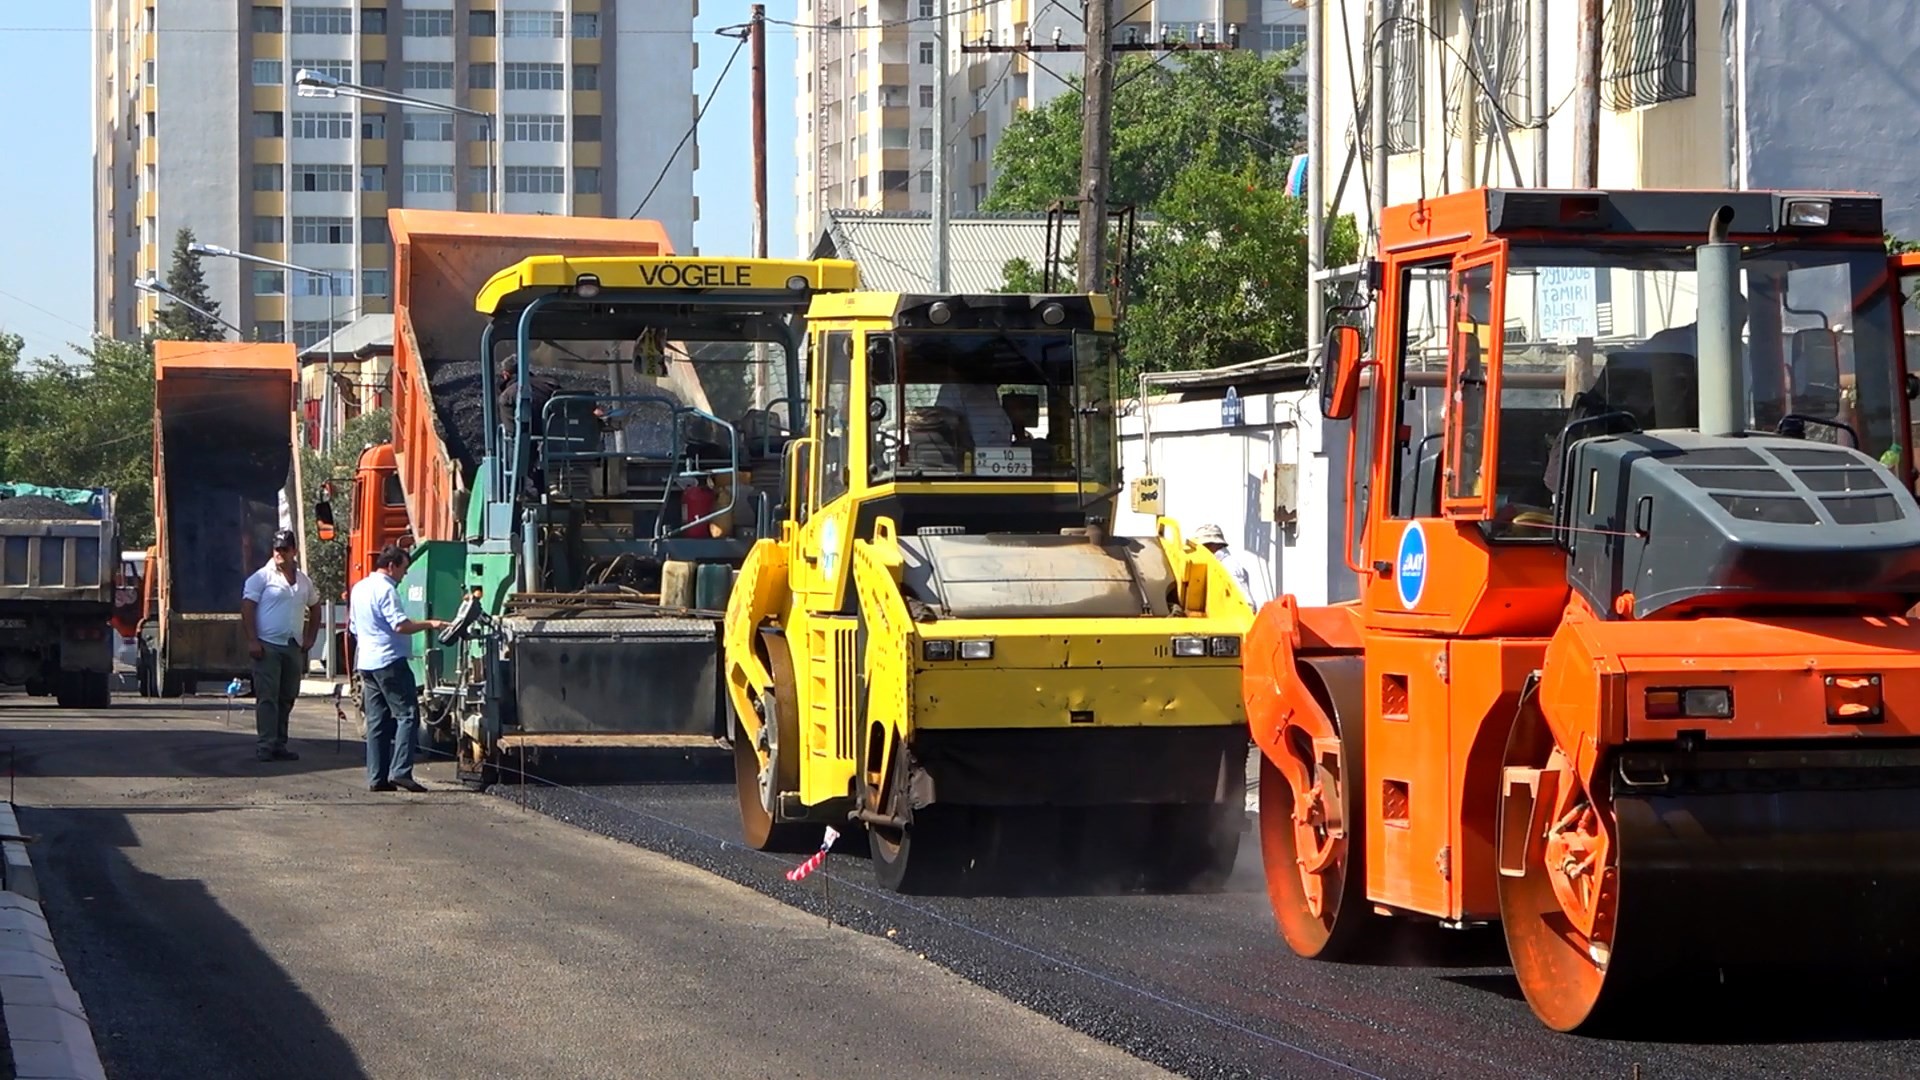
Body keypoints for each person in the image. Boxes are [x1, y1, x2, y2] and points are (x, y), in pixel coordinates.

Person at [348, 545, 449, 793]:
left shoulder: (359, 588)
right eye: (403, 569)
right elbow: (400, 626)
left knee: (377, 721)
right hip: (389, 661)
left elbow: (352, 627)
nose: (404, 575)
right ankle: (401, 771)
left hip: (367, 664)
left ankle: (376, 777)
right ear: (391, 565)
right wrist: (431, 624)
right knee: (407, 715)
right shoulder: (386, 590)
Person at [241, 528, 319, 763]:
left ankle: (279, 743)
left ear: (294, 551)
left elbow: (315, 607)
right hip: (267, 646)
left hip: (292, 646)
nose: (280, 553)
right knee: (267, 697)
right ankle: (265, 744)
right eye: (277, 548)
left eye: (285, 549)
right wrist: (253, 640)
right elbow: (247, 607)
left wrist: (310, 637)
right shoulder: (262, 577)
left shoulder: (303, 580)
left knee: (287, 696)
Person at [1193, 523, 1274, 609]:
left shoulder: (1228, 566)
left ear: (1212, 545)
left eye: (1203, 546)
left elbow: (1247, 604)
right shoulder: (1218, 565)